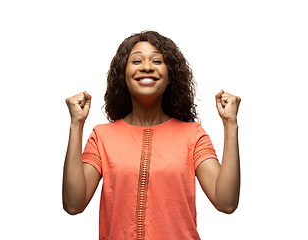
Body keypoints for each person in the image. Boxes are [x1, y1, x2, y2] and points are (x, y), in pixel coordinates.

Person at [62, 30, 241, 240]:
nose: (147, 67)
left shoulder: (192, 135)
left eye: (157, 60)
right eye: (136, 60)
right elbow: (74, 204)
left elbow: (226, 201)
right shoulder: (102, 137)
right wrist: (76, 124)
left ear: (170, 77)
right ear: (123, 75)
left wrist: (230, 124)